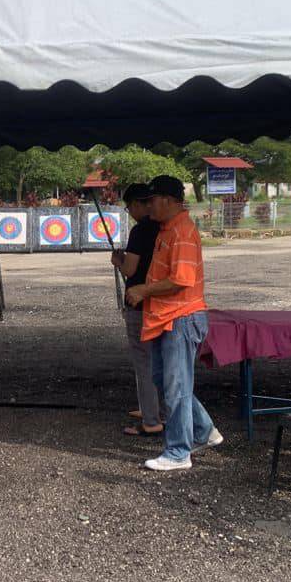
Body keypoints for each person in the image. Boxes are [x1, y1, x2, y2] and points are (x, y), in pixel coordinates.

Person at [125, 175, 222, 472]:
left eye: (152, 200)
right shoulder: (168, 229)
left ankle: (179, 451)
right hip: (167, 318)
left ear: (167, 200)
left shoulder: (181, 231)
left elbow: (182, 279)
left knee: (175, 386)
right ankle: (204, 430)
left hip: (181, 318)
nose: (148, 206)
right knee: (163, 380)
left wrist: (143, 290)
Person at [110, 183, 164, 437]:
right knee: (158, 361)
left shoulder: (140, 230)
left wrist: (118, 260)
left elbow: (130, 269)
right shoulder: (166, 227)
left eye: (129, 207)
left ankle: (151, 419)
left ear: (137, 204)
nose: (130, 212)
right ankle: (155, 410)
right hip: (161, 304)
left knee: (144, 363)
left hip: (140, 303)